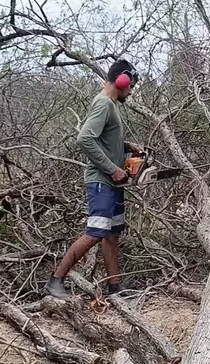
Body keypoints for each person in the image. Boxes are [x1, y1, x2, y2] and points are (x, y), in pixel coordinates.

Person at [44, 59, 143, 300]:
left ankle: (114, 287)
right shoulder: (103, 104)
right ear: (122, 80)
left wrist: (128, 147)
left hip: (113, 183)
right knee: (96, 232)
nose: (130, 92)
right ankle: (56, 281)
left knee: (112, 234)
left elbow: (104, 140)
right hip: (101, 181)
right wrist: (112, 169)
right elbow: (85, 139)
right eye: (131, 86)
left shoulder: (110, 105)